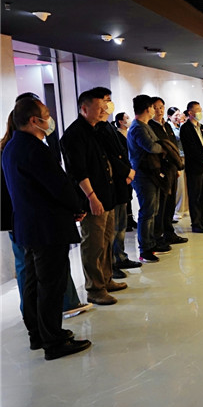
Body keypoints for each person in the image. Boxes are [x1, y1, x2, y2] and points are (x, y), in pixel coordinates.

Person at [2, 98, 92, 360]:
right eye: (45, 114)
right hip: (48, 227)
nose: (49, 118)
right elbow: (58, 186)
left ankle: (38, 334)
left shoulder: (11, 147)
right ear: (34, 120)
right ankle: (54, 341)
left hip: (28, 226)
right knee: (51, 285)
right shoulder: (34, 149)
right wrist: (77, 206)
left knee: (33, 283)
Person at [60, 88, 128, 306]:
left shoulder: (97, 129)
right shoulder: (74, 134)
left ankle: (106, 279)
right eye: (99, 107)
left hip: (106, 195)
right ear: (84, 109)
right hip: (92, 199)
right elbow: (78, 171)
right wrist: (91, 197)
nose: (103, 111)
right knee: (94, 244)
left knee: (106, 241)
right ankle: (95, 288)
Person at [94, 96, 140, 281]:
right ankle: (112, 263)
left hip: (122, 182)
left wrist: (128, 171)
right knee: (113, 228)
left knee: (120, 224)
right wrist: (126, 171)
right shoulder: (99, 130)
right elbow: (110, 157)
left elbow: (122, 154)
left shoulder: (108, 127)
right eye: (105, 100)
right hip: (114, 182)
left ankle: (120, 257)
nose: (108, 104)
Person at [128, 95, 165, 263]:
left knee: (153, 209)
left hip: (151, 173)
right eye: (152, 107)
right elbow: (152, 146)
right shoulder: (138, 127)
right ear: (146, 108)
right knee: (147, 210)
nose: (155, 110)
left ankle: (151, 243)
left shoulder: (145, 125)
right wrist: (163, 148)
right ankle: (145, 248)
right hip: (143, 174)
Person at [148, 97, 188, 250]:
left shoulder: (167, 126)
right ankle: (157, 237)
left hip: (172, 168)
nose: (159, 110)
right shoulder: (150, 126)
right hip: (161, 170)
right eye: (156, 107)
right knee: (161, 204)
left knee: (170, 202)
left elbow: (173, 147)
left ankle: (169, 232)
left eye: (161, 107)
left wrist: (177, 167)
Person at [180, 101, 203, 233]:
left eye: (201, 109)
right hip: (195, 167)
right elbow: (191, 149)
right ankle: (196, 223)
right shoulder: (185, 128)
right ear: (190, 112)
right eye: (197, 110)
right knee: (195, 195)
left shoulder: (202, 127)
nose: (200, 112)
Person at [115, 112, 137, 231]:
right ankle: (126, 221)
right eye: (127, 118)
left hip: (132, 167)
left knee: (130, 194)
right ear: (120, 121)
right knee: (125, 196)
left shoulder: (129, 133)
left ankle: (130, 218)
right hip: (124, 170)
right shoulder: (117, 135)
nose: (129, 120)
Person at [167, 107, 188, 221]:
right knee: (179, 186)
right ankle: (178, 210)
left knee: (185, 185)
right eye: (176, 115)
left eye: (179, 114)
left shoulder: (179, 126)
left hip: (184, 156)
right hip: (177, 157)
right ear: (169, 116)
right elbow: (178, 138)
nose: (178, 117)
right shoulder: (169, 126)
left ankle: (184, 208)